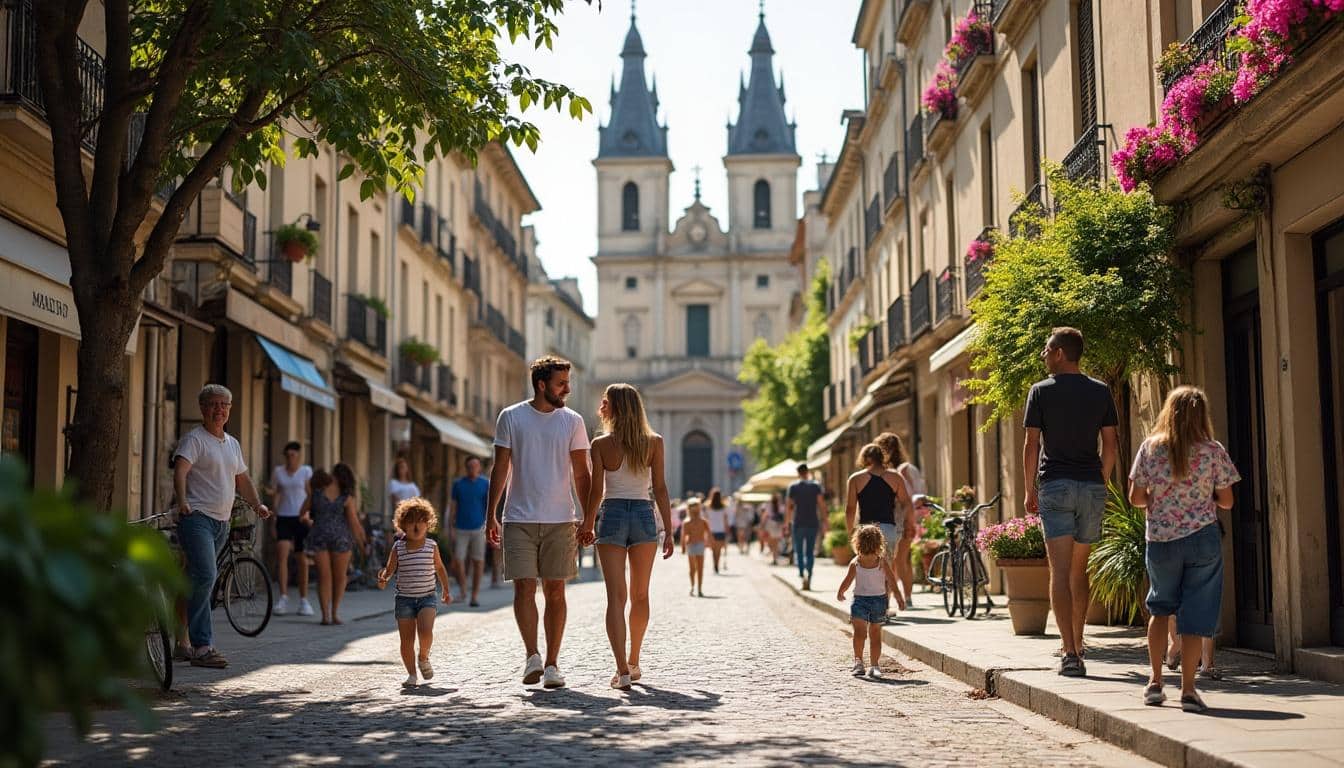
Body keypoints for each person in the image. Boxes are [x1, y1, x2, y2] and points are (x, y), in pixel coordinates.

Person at [1129, 386, 1238, 713]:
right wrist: (1205, 499)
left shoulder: (1150, 448)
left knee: (1160, 608)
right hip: (1202, 538)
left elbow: (1135, 497)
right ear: (1202, 414)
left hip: (1162, 540)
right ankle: (1188, 690)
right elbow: (1228, 502)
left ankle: (1155, 682)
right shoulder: (1213, 450)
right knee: (1197, 614)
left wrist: (1159, 501)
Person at [486, 356, 591, 690]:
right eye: (562, 383)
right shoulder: (512, 417)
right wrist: (491, 513)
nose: (567, 389)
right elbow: (500, 467)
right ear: (542, 384)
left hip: (562, 518)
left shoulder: (573, 421)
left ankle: (552, 664)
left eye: (568, 383)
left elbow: (581, 473)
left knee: (556, 591)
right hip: (518, 517)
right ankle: (532, 656)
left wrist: (588, 516)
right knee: (523, 587)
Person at [1023, 327, 1119, 677]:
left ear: (1060, 353)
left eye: (1047, 350)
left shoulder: (1040, 392)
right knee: (1080, 571)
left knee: (1060, 572)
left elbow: (1031, 444)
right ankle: (1078, 644)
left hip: (1056, 486)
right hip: (1090, 485)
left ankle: (1069, 654)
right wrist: (1102, 483)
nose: (1044, 356)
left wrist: (1029, 489)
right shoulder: (1101, 391)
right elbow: (1110, 444)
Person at [580, 383, 674, 690]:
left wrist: (587, 524)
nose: (601, 406)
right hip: (645, 516)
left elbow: (596, 491)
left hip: (613, 514)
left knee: (616, 598)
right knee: (641, 595)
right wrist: (669, 530)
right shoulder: (654, 442)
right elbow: (659, 488)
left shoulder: (601, 444)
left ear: (615, 407)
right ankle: (634, 661)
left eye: (605, 402)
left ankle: (621, 669)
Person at [172, 384, 272, 669]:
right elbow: (180, 471)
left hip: (222, 523)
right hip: (197, 519)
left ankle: (181, 642)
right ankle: (203, 646)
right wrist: (182, 501)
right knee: (206, 575)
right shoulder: (194, 440)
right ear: (203, 409)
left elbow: (243, 480)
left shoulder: (232, 443)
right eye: (213, 404)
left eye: (224, 405)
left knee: (192, 579)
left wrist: (257, 505)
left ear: (230, 409)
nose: (219, 409)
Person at [377, 497, 453, 688]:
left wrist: (446, 589)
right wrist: (383, 578)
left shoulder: (431, 546)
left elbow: (440, 569)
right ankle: (411, 674)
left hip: (427, 597)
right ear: (403, 525)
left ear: (428, 524)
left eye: (421, 521)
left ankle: (424, 656)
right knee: (406, 640)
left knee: (426, 631)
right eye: (411, 522)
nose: (416, 526)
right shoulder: (398, 547)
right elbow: (390, 569)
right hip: (404, 600)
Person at [836, 525, 905, 678]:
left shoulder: (856, 562)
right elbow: (892, 581)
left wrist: (841, 592)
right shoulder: (881, 562)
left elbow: (847, 581)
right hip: (879, 601)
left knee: (859, 634)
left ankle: (858, 662)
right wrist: (899, 598)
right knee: (875, 635)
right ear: (879, 543)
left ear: (857, 542)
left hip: (859, 601)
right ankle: (874, 666)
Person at [302, 464, 366, 625]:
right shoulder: (346, 497)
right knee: (340, 578)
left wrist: (313, 523)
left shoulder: (316, 492)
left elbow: (301, 513)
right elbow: (354, 522)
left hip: (319, 536)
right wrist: (362, 542)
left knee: (324, 578)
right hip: (341, 538)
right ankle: (335, 613)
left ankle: (325, 616)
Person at [844, 444, 914, 570]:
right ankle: (887, 590)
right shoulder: (895, 477)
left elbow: (850, 509)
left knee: (867, 569)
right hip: (888, 529)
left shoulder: (855, 479)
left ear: (865, 458)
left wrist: (851, 532)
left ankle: (872, 590)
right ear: (883, 457)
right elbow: (906, 503)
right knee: (887, 569)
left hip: (865, 531)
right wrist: (907, 523)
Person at [875, 432, 923, 606]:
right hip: (909, 517)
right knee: (903, 559)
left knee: (895, 561)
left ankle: (896, 598)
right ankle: (906, 597)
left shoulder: (893, 472)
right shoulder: (909, 468)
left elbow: (905, 498)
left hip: (897, 518)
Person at [267, 441, 314, 617]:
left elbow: (310, 494)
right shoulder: (278, 472)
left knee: (302, 558)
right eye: (287, 455)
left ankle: (304, 600)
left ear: (299, 456)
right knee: (282, 556)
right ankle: (283, 598)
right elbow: (277, 493)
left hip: (300, 518)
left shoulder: (306, 471)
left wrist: (309, 515)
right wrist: (273, 518)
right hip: (284, 517)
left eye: (293, 455)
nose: (290, 458)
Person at [450, 456, 490, 607]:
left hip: (479, 528)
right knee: (458, 560)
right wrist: (451, 528)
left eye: (476, 466)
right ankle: (463, 588)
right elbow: (453, 506)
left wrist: (490, 524)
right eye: (470, 466)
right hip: (461, 527)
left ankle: (474, 596)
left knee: (478, 562)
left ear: (479, 468)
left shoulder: (485, 484)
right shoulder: (458, 484)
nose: (473, 469)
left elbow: (489, 506)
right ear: (466, 468)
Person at [785, 463, 825, 591]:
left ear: (798, 473)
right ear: (807, 472)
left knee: (799, 551)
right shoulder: (815, 486)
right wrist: (825, 520)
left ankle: (802, 574)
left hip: (798, 522)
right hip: (813, 522)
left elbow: (789, 507)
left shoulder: (793, 487)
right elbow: (821, 504)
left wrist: (787, 523)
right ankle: (810, 574)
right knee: (810, 551)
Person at [680, 499, 710, 597]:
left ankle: (699, 588)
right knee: (692, 568)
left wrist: (709, 542)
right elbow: (683, 535)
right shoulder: (687, 522)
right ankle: (693, 585)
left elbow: (709, 533)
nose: (695, 510)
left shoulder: (703, 521)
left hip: (700, 544)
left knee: (700, 568)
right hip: (691, 545)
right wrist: (683, 546)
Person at [705, 488, 730, 574]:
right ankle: (717, 565)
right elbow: (726, 520)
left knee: (713, 550)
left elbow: (706, 520)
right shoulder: (724, 507)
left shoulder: (708, 507)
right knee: (718, 551)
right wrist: (727, 530)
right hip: (720, 530)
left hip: (711, 531)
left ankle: (714, 564)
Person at [763, 493, 785, 564]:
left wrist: (762, 524)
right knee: (776, 542)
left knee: (772, 543)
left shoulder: (769, 506)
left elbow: (765, 515)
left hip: (771, 524)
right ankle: (775, 557)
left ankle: (774, 557)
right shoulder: (781, 506)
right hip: (778, 524)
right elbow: (784, 515)